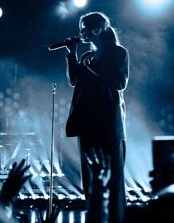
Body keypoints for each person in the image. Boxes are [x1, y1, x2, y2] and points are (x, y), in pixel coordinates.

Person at [65, 11, 130, 223]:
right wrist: (72, 54)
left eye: (84, 27)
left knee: (112, 176)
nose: (80, 32)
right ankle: (95, 216)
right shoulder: (86, 56)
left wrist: (93, 67)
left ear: (97, 29)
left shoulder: (118, 53)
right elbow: (74, 80)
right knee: (90, 175)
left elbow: (119, 82)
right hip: (86, 123)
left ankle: (115, 218)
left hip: (109, 123)